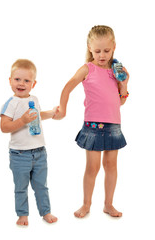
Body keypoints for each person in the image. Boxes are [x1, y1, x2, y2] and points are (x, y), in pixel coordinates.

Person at [53, 25, 129, 218]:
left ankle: (108, 204)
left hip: (113, 126)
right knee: (92, 167)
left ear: (114, 47)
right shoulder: (88, 68)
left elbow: (120, 101)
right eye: (97, 51)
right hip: (93, 127)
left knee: (111, 165)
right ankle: (86, 204)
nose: (102, 55)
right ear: (89, 48)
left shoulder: (116, 71)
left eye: (106, 50)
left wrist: (124, 84)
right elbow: (67, 87)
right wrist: (63, 109)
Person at [0, 59, 58, 225]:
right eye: (17, 79)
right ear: (10, 80)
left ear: (34, 83)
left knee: (41, 186)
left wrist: (52, 113)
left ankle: (45, 212)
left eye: (27, 80)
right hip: (20, 154)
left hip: (39, 152)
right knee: (21, 187)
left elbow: (38, 115)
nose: (21, 84)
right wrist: (22, 120)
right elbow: (4, 127)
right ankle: (22, 215)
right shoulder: (11, 104)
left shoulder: (34, 98)